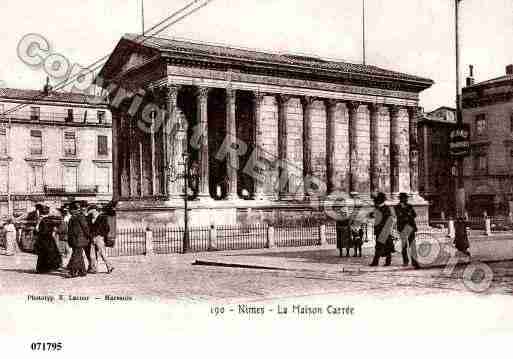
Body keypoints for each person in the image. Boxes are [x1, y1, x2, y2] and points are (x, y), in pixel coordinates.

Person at [369, 192, 395, 267]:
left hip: (384, 230)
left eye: (376, 201)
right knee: (383, 246)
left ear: (380, 201)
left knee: (381, 246)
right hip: (379, 230)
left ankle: (377, 261)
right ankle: (384, 261)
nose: (375, 203)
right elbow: (371, 215)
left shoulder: (386, 208)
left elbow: (389, 219)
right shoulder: (378, 208)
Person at [34, 205, 62, 273]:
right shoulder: (48, 219)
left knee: (44, 254)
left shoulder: (44, 220)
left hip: (45, 238)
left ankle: (43, 268)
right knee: (48, 253)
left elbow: (41, 230)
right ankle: (47, 268)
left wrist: (38, 229)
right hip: (47, 238)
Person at [395, 193, 420, 269]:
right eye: (403, 198)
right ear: (400, 199)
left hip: (410, 227)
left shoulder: (409, 206)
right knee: (404, 245)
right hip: (402, 228)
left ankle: (415, 261)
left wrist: (407, 214)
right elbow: (399, 216)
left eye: (406, 198)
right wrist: (407, 214)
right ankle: (405, 260)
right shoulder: (397, 207)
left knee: (412, 245)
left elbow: (414, 215)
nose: (405, 199)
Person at [87, 205, 114, 274]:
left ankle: (109, 266)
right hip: (92, 238)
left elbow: (107, 228)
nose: (91, 213)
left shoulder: (102, 217)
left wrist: (101, 235)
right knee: (92, 255)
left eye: (92, 211)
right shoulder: (90, 218)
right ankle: (94, 269)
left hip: (99, 238)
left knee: (102, 253)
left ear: (95, 210)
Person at [67, 201, 89, 278]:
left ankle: (72, 272)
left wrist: (89, 236)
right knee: (78, 255)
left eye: (70, 209)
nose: (69, 211)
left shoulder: (80, 216)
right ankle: (82, 271)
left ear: (74, 210)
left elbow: (85, 228)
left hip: (79, 240)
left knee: (76, 255)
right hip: (74, 240)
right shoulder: (73, 217)